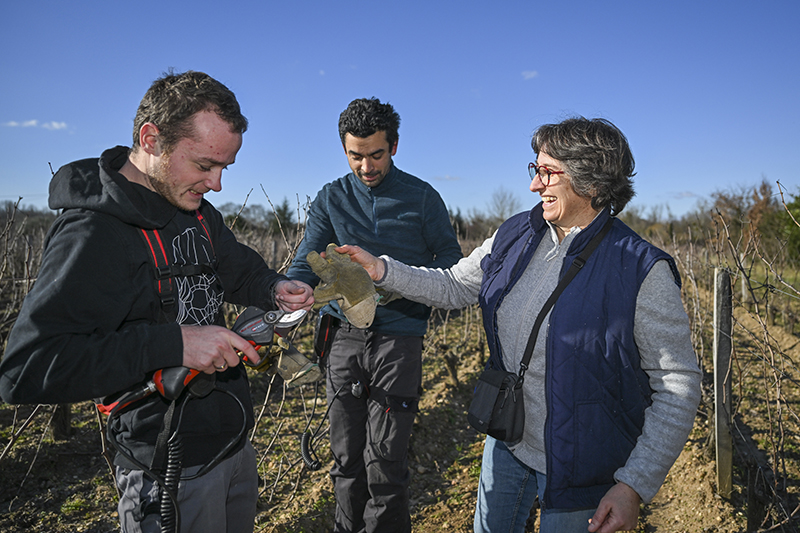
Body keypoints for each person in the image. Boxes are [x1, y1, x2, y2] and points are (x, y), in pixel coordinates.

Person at [337, 117, 702, 533]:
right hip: (508, 438)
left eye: (547, 172)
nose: (533, 185)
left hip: (585, 465)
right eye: (535, 169)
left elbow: (677, 385)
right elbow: (455, 285)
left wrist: (633, 484)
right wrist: (382, 270)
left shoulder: (640, 269)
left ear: (591, 182)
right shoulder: (516, 233)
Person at [0, 70, 314, 533]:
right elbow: (28, 368)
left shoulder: (196, 212)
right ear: (151, 139)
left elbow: (237, 269)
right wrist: (176, 344)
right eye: (204, 164)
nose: (216, 183)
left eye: (225, 168)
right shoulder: (95, 234)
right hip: (167, 470)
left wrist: (274, 288)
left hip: (232, 446)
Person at [287, 97, 462, 533]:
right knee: (346, 457)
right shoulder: (331, 198)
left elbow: (451, 264)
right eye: (356, 156)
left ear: (394, 147)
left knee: (385, 460)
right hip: (343, 338)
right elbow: (307, 257)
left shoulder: (422, 198)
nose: (366, 167)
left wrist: (397, 283)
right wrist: (289, 292)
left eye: (377, 155)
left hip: (400, 338)